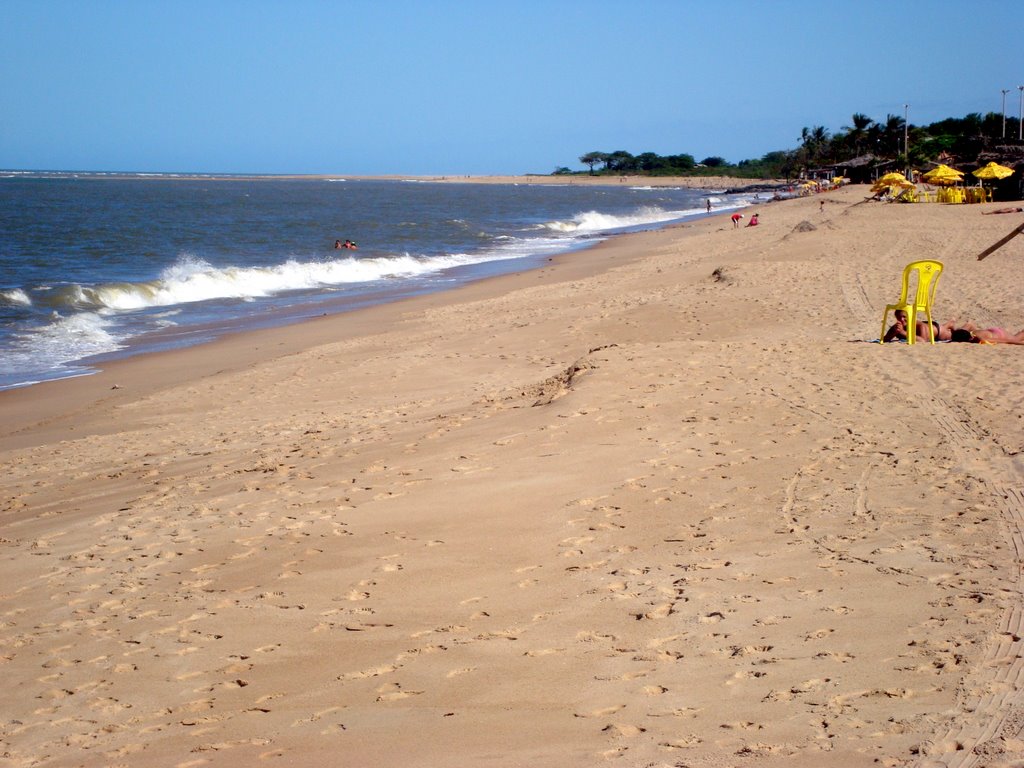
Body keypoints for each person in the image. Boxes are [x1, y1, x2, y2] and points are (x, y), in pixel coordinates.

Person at [950, 323, 1024, 344]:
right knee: (1018, 335)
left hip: (999, 334)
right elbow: (969, 324)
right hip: (991, 331)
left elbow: (1005, 341)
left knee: (1017, 337)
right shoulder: (970, 332)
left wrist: (1021, 343)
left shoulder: (981, 339)